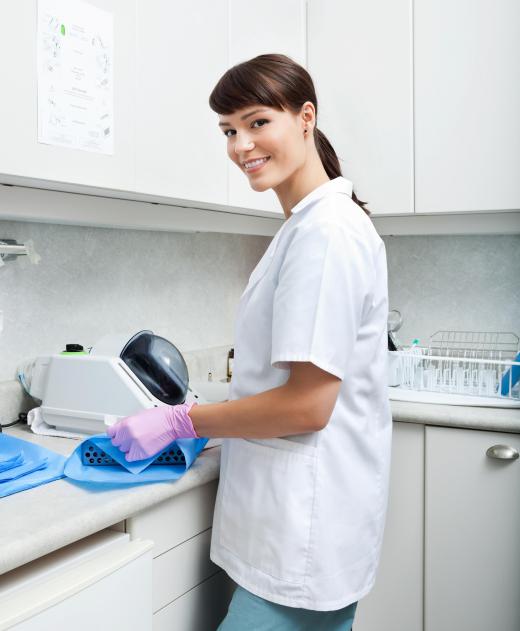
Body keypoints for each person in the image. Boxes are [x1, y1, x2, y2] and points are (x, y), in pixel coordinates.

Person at [108, 53, 392, 630]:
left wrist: (181, 420)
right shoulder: (307, 225)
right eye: (228, 130)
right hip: (302, 524)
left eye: (258, 122)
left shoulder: (326, 234)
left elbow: (308, 406)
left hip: (303, 533)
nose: (241, 145)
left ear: (305, 118)